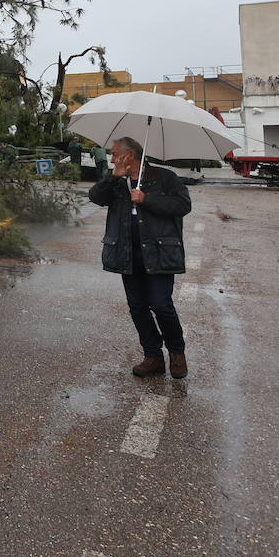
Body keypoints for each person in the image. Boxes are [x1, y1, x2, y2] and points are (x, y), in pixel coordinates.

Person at [88, 136, 191, 378]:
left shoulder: (164, 178)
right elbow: (95, 197)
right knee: (137, 306)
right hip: (127, 253)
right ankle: (153, 355)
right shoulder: (116, 181)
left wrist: (147, 199)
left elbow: (183, 205)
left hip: (158, 252)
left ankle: (177, 352)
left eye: (115, 154)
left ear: (130, 155)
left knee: (161, 304)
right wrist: (113, 177)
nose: (112, 159)